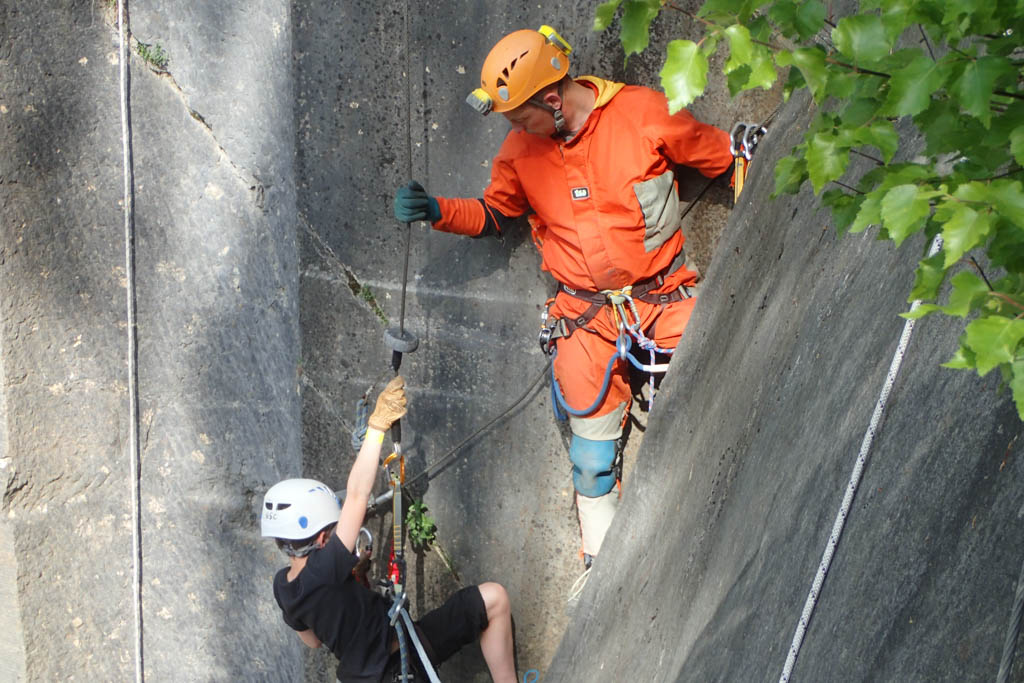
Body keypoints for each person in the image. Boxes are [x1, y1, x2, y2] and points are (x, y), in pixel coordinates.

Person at [392, 26, 734, 570]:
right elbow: (496, 213)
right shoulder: (521, 152)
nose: (514, 130)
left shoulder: (642, 113)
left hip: (665, 299)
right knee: (590, 461)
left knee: (714, 400)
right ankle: (604, 571)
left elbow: (729, 159)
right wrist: (437, 211)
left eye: (519, 117)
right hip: (584, 319)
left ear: (552, 100)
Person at [262, 376, 517, 683]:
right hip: (392, 672)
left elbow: (313, 640)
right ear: (321, 537)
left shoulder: (283, 586)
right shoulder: (324, 568)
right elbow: (357, 494)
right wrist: (377, 426)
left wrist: (348, 587)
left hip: (406, 645)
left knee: (492, 599)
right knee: (494, 599)